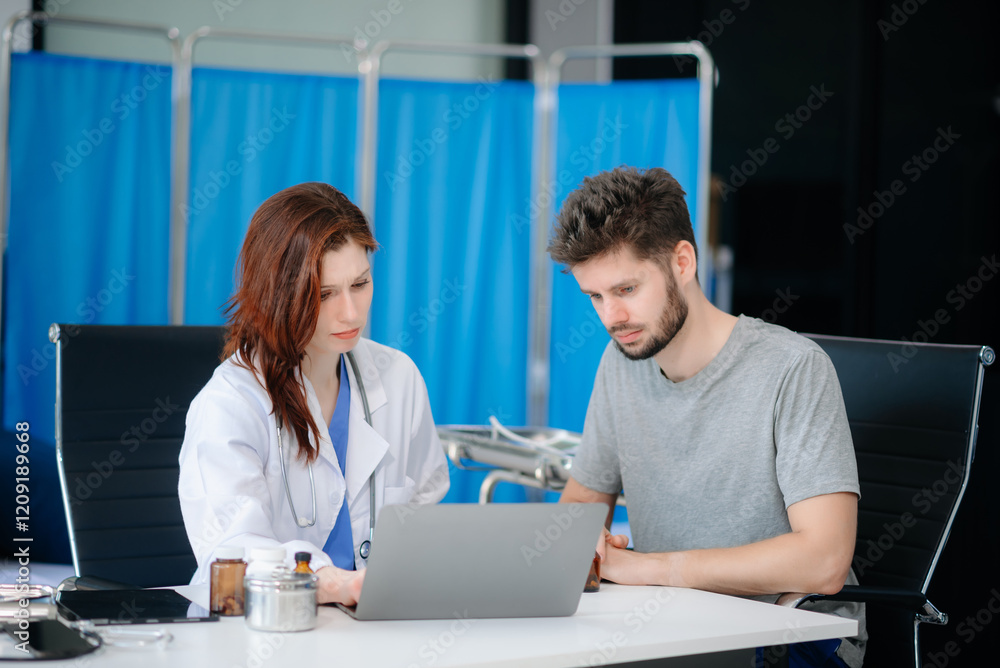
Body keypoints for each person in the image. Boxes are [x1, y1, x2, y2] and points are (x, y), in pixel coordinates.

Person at [549, 166, 866, 667]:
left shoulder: (793, 368)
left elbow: (824, 562)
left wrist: (647, 569)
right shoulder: (620, 363)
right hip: (672, 630)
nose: (611, 317)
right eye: (595, 297)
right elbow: (580, 507)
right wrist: (584, 542)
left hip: (790, 637)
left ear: (682, 261)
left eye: (627, 290)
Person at [179, 182, 449, 605]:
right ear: (277, 294)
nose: (351, 312)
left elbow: (425, 507)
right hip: (271, 634)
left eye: (360, 284)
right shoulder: (230, 404)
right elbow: (231, 551)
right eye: (324, 294)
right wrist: (332, 583)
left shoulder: (398, 377)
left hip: (378, 631)